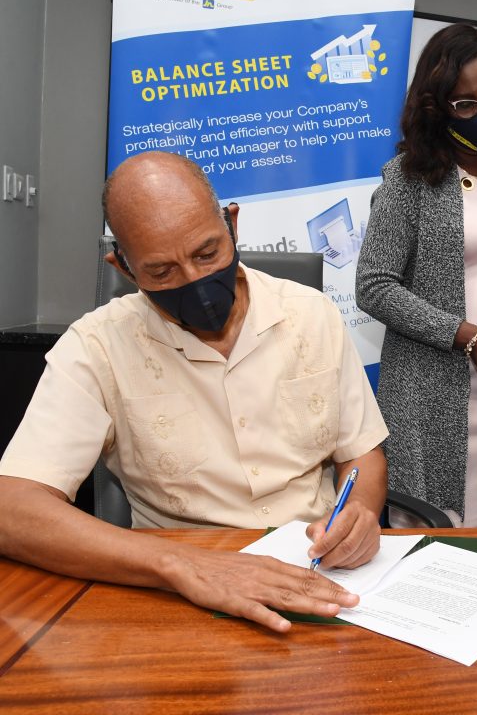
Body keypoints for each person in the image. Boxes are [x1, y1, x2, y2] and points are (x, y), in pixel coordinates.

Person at [0, 151, 389, 632]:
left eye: (208, 253)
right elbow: (12, 509)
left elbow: (362, 454)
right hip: (176, 596)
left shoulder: (312, 314)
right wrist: (183, 565)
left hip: (320, 572)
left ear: (233, 225)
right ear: (122, 266)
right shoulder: (95, 347)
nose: (197, 284)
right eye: (161, 272)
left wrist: (360, 514)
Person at [355, 24, 477, 527]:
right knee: (427, 539)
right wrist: (468, 337)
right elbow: (373, 285)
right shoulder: (407, 179)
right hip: (428, 392)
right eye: (466, 104)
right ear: (436, 106)